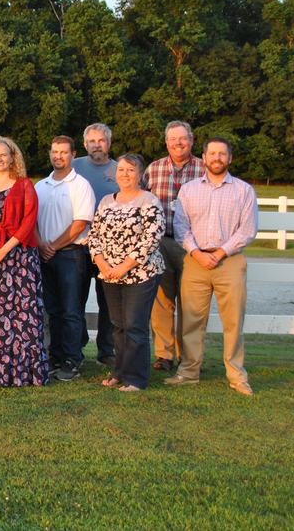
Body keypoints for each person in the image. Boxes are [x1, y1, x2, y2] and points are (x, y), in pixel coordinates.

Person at [166, 138, 258, 396]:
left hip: (229, 261)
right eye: (212, 153)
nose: (217, 158)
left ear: (230, 158)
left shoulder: (243, 190)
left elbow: (248, 230)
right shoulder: (189, 189)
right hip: (195, 261)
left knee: (233, 321)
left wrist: (219, 253)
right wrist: (195, 251)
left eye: (222, 154)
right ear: (203, 158)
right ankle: (189, 371)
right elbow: (181, 226)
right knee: (192, 320)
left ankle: (236, 374)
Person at [0, 136, 49, 386]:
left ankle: (22, 373)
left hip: (19, 257)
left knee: (20, 314)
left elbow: (29, 222)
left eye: (4, 155)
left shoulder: (25, 185)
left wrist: (7, 248)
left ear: (13, 157)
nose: (0, 159)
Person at [87, 154, 165, 392]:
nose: (125, 174)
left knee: (134, 325)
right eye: (121, 170)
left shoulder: (149, 201)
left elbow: (151, 237)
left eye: (130, 170)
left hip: (139, 273)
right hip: (109, 274)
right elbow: (94, 235)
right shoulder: (106, 201)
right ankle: (120, 372)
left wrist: (123, 267)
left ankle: (136, 378)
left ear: (140, 174)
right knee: (118, 325)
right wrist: (101, 264)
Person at [143, 121, 205, 372]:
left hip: (193, 244)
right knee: (162, 300)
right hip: (161, 241)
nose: (178, 143)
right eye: (173, 139)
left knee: (191, 302)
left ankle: (190, 357)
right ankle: (164, 355)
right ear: (166, 142)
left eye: (183, 138)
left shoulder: (204, 168)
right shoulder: (154, 169)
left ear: (191, 140)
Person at [35, 135, 95, 382]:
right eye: (54, 151)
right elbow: (33, 222)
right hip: (46, 256)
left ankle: (72, 358)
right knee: (52, 310)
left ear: (72, 155)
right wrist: (42, 245)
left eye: (63, 152)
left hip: (71, 255)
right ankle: (56, 356)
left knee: (71, 310)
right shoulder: (41, 186)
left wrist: (54, 246)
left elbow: (80, 223)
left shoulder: (80, 185)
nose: (58, 156)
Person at [71, 123, 119, 368]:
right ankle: (76, 347)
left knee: (108, 301)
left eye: (101, 140)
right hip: (79, 245)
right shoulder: (74, 166)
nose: (96, 145)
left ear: (108, 143)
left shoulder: (120, 170)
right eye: (92, 141)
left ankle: (106, 350)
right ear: (85, 143)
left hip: (109, 249)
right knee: (75, 300)